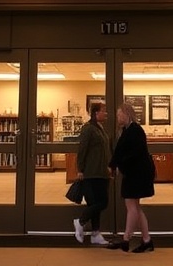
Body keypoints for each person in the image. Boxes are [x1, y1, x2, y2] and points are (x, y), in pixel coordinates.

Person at [106, 101, 155, 252]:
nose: (118, 117)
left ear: (127, 114)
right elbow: (120, 152)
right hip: (136, 173)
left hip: (137, 174)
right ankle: (146, 240)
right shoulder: (129, 130)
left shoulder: (134, 131)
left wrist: (115, 165)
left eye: (120, 114)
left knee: (131, 206)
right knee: (135, 207)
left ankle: (126, 239)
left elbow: (131, 154)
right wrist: (113, 165)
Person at [73, 102, 112, 246]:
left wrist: (109, 166)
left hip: (102, 172)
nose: (106, 113)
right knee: (101, 202)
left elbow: (104, 150)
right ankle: (80, 221)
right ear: (96, 113)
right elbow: (82, 150)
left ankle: (95, 233)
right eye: (104, 111)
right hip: (92, 173)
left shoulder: (100, 128)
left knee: (97, 203)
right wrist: (80, 169)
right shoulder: (88, 129)